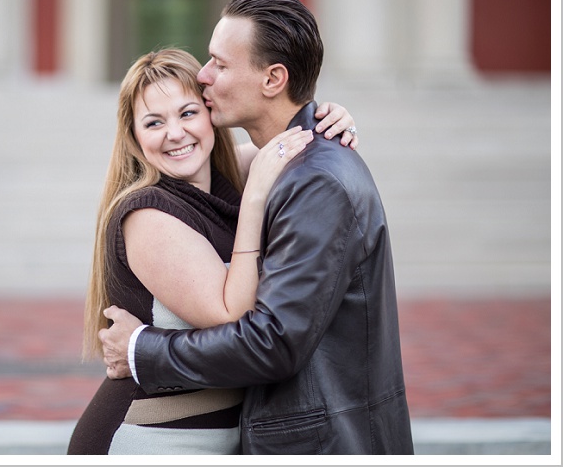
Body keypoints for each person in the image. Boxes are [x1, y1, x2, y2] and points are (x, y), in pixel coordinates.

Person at [99, 0, 414, 455]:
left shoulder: (314, 182)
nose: (203, 76)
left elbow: (271, 343)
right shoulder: (274, 169)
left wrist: (140, 349)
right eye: (154, 122)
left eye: (219, 64)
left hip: (322, 443)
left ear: (273, 79)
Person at [67, 48, 358, 455]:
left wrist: (330, 117)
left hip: (219, 441)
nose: (175, 133)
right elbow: (231, 317)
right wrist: (255, 198)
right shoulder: (148, 214)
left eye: (188, 113)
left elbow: (298, 141)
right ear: (134, 137)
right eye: (154, 122)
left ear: (210, 113)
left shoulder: (225, 174)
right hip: (149, 441)